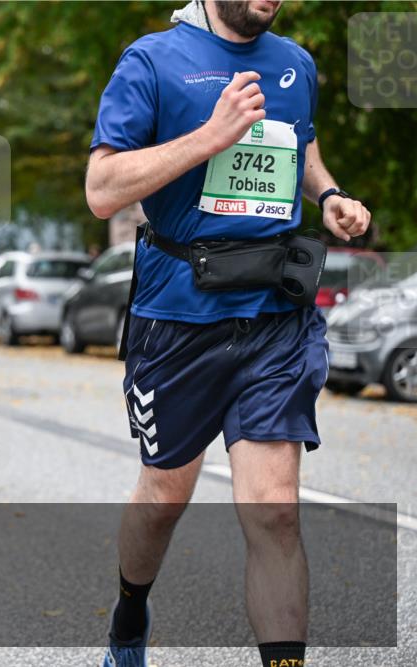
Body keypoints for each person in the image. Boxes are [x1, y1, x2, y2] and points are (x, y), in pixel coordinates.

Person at [84, 2, 371, 666]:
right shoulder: (153, 61)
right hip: (178, 320)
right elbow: (101, 188)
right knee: (164, 496)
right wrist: (208, 138)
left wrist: (328, 196)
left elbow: (300, 144)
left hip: (275, 316)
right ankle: (130, 613)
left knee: (275, 509)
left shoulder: (295, 63)